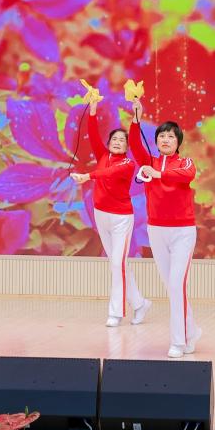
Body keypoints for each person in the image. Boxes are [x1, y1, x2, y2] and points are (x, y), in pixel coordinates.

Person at [70, 100, 151, 328]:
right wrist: (92, 111)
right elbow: (93, 134)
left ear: (126, 146)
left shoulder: (127, 164)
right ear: (108, 143)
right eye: (114, 139)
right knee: (118, 264)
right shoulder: (102, 155)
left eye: (121, 140)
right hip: (101, 215)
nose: (117, 142)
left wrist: (88, 176)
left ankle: (115, 312)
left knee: (117, 263)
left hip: (121, 219)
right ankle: (140, 304)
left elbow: (108, 173)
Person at [129, 101, 200, 358]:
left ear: (178, 141)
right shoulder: (148, 161)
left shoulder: (185, 162)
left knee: (177, 283)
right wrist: (136, 119)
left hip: (183, 232)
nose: (166, 139)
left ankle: (178, 342)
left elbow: (186, 176)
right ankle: (191, 331)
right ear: (156, 141)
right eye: (161, 136)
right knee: (172, 287)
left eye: (171, 136)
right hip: (156, 230)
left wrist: (157, 174)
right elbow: (135, 144)